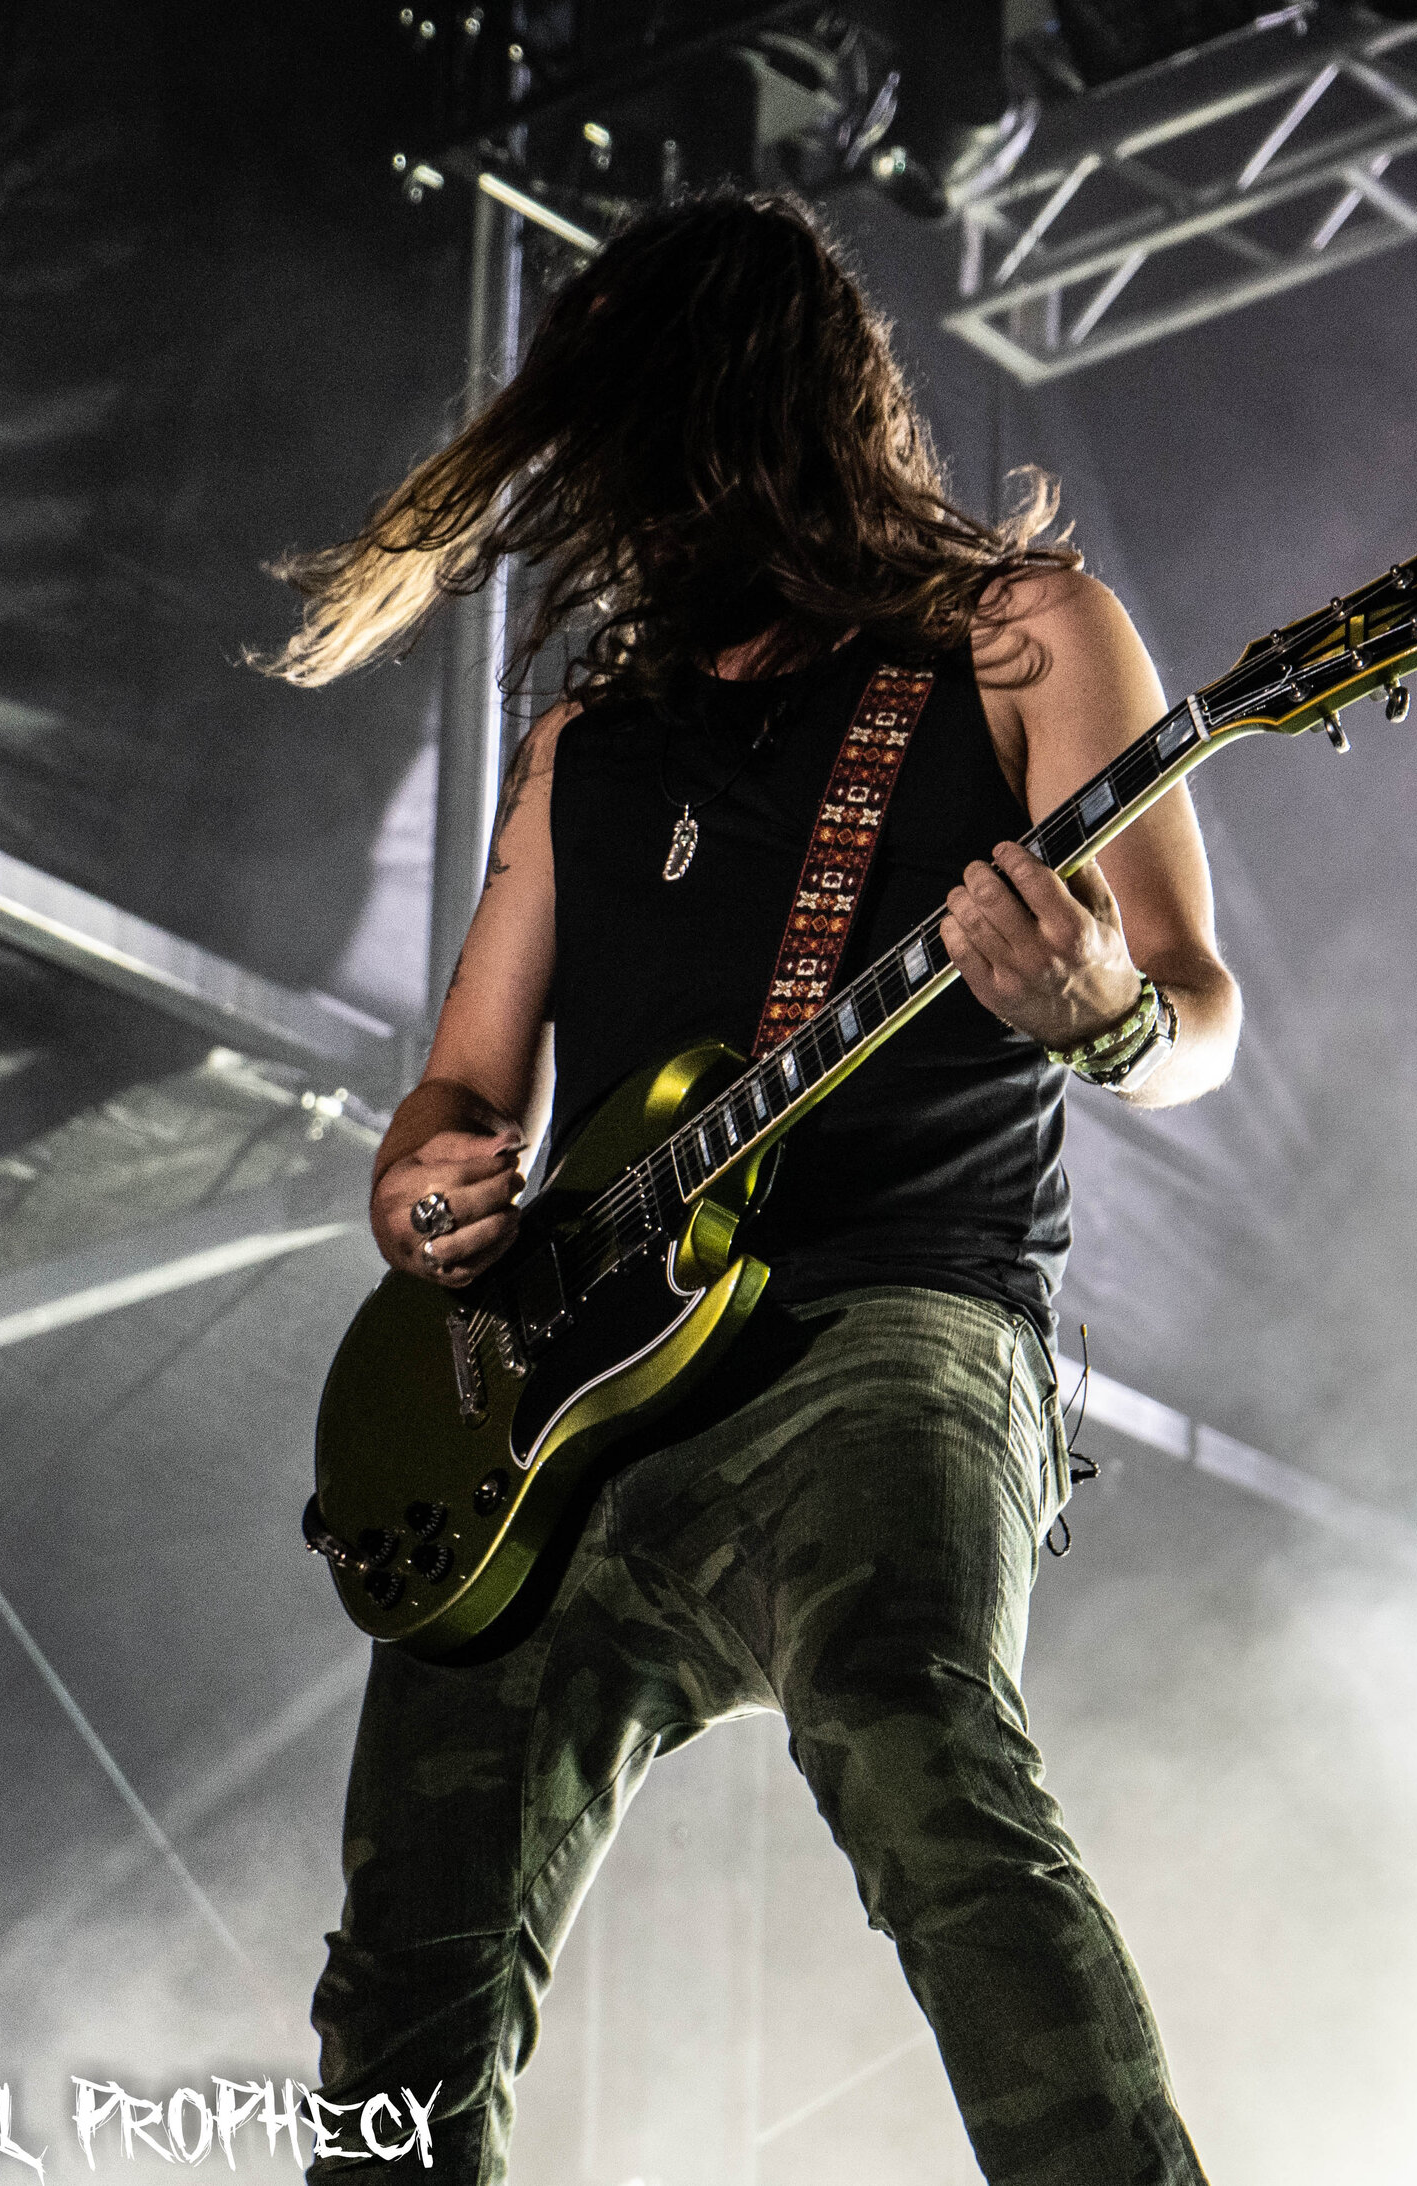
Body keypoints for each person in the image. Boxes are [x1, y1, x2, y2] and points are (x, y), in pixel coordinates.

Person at [258, 190, 1238, 2186]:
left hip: (893, 1317)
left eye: (625, 447)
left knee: (909, 1731)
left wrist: (1101, 1007)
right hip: (567, 1400)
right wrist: (424, 1187)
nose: (599, 510)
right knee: (403, 1970)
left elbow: (1203, 1009)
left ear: (740, 423)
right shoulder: (581, 749)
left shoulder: (1018, 634)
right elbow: (461, 1080)